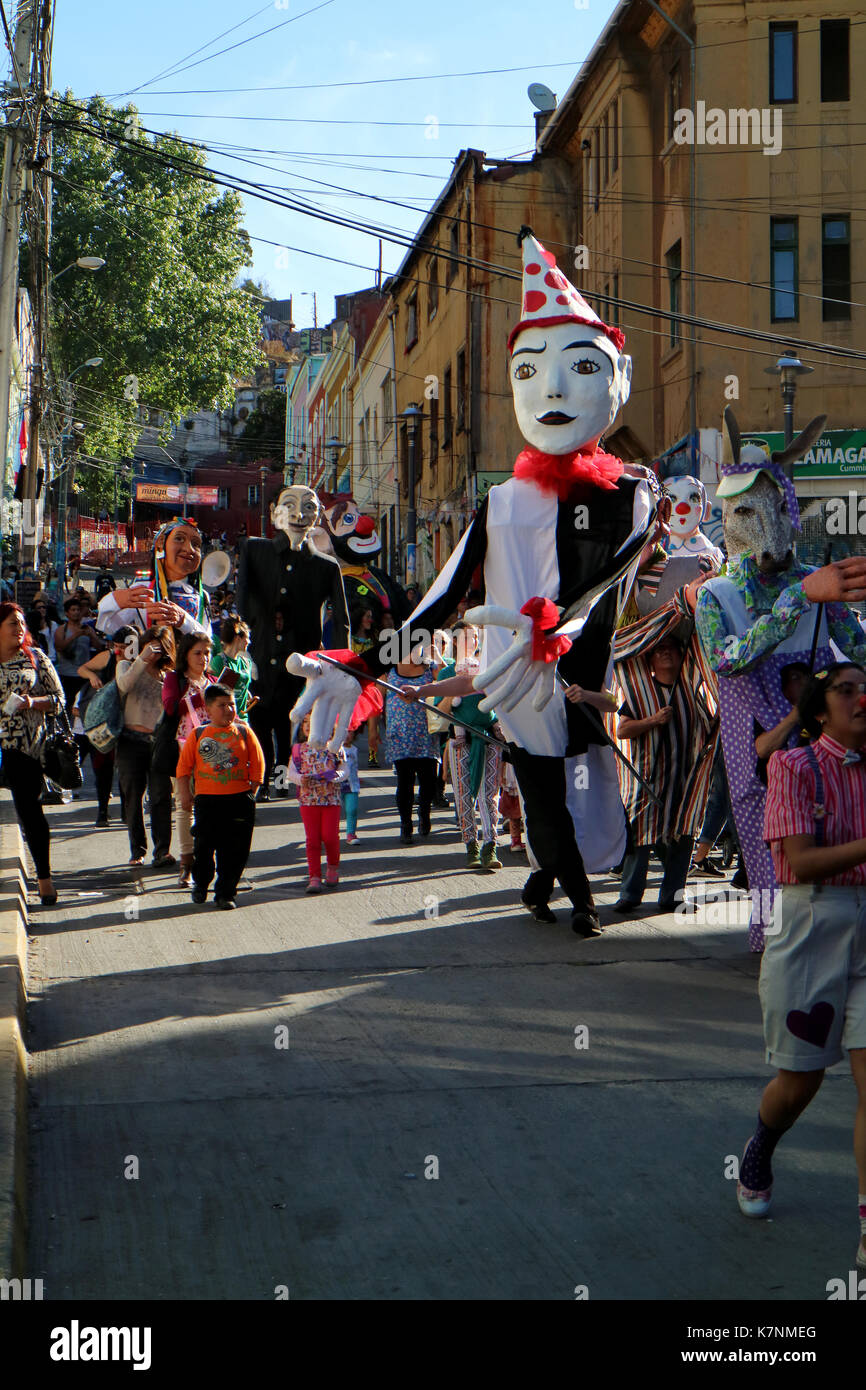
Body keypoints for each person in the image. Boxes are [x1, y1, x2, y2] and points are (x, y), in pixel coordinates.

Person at [737, 663, 866, 1276]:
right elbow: (803, 862)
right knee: (800, 1082)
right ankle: (762, 1144)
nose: (862, 697)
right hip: (812, 924)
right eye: (847, 690)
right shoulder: (792, 766)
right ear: (819, 711)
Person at [614, 634, 716, 913]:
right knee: (640, 835)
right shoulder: (639, 693)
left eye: (672, 647)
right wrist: (653, 720)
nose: (667, 653)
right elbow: (622, 730)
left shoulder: (693, 692)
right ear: (650, 660)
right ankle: (630, 894)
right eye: (660, 649)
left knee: (684, 835)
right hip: (648, 778)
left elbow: (709, 725)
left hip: (685, 778)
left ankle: (673, 894)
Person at [176, 683, 264, 910]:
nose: (228, 709)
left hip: (239, 801)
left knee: (235, 851)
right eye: (222, 705)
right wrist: (185, 795)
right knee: (204, 847)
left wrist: (250, 793)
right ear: (209, 709)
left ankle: (225, 893)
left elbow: (257, 766)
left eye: (232, 704)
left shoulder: (244, 732)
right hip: (207, 802)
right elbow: (183, 770)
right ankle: (201, 882)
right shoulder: (198, 735)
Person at [0, 602, 65, 904]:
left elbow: (59, 699)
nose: (20, 628)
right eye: (13, 623)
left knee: (30, 813)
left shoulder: (35, 658)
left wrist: (31, 703)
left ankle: (45, 879)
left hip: (25, 748)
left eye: (22, 623)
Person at [115, 625, 176, 868]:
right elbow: (123, 686)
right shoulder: (126, 665)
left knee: (161, 795)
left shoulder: (167, 675)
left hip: (157, 742)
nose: (154, 651)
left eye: (159, 647)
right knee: (133, 795)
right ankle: (137, 849)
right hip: (130, 740)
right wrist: (142, 658)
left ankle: (162, 850)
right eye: (150, 644)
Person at [97, 517, 212, 639]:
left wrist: (183, 620)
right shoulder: (143, 591)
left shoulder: (201, 596)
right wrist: (114, 600)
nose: (189, 549)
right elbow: (108, 627)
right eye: (179, 539)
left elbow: (207, 641)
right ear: (161, 543)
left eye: (196, 544)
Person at [162, 632, 213, 887]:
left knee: (211, 806)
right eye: (198, 653)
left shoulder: (212, 680)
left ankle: (207, 861)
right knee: (184, 805)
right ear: (185, 654)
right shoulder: (175, 679)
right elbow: (170, 707)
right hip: (183, 749)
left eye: (206, 653)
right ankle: (186, 863)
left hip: (213, 752)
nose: (203, 658)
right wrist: (198, 699)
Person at [77, 624, 136, 827]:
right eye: (117, 646)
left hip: (130, 721)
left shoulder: (139, 660)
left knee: (127, 770)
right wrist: (93, 676)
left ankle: (126, 812)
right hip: (107, 721)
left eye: (124, 646)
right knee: (103, 768)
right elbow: (82, 668)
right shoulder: (108, 657)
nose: (120, 651)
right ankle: (102, 811)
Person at [384, 644, 439, 845]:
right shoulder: (390, 670)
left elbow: (445, 681)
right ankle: (405, 825)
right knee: (405, 782)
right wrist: (373, 729)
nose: (417, 651)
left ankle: (424, 812)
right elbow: (375, 696)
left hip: (426, 734)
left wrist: (437, 656)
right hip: (399, 735)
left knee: (428, 781)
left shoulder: (430, 668)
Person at [290, 713, 343, 893]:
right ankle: (314, 876)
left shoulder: (334, 748)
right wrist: (300, 779)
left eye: (312, 722)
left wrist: (335, 776)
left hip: (331, 801)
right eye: (305, 722)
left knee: (329, 837)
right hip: (308, 801)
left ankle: (332, 868)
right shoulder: (298, 749)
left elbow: (345, 770)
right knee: (312, 840)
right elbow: (291, 773)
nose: (307, 725)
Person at [53, 595, 103, 709]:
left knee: (83, 705)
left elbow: (99, 648)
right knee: (67, 705)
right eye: (73, 610)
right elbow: (59, 647)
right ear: (67, 613)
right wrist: (75, 635)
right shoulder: (62, 630)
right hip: (67, 674)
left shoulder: (87, 629)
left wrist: (91, 636)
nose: (76, 613)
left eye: (78, 610)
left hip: (83, 674)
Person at [212, 618, 254, 717]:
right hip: (226, 719)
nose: (249, 642)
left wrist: (247, 693)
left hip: (243, 719)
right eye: (247, 637)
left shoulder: (246, 663)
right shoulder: (218, 662)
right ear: (237, 638)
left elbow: (242, 686)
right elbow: (214, 694)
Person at [341, 725, 361, 844]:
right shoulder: (332, 748)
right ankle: (329, 833)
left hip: (352, 785)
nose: (347, 735)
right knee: (333, 812)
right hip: (336, 786)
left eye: (350, 731)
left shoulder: (354, 749)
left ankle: (351, 833)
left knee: (352, 809)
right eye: (343, 732)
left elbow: (354, 766)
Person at [26, 596, 59, 660]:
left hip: (51, 657)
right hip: (36, 658)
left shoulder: (53, 624)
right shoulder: (31, 625)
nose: (42, 609)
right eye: (39, 608)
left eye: (44, 607)